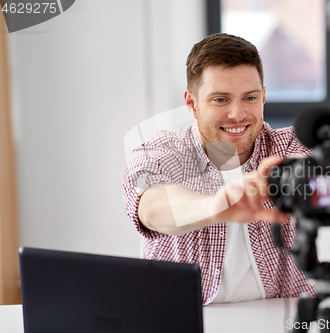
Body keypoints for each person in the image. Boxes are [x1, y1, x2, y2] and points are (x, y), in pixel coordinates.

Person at [122, 33, 316, 305]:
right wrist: (215, 207)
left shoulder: (289, 147)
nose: (237, 114)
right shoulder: (159, 150)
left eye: (249, 97)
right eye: (220, 100)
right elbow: (152, 208)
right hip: (183, 318)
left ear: (263, 97)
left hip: (280, 315)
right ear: (192, 104)